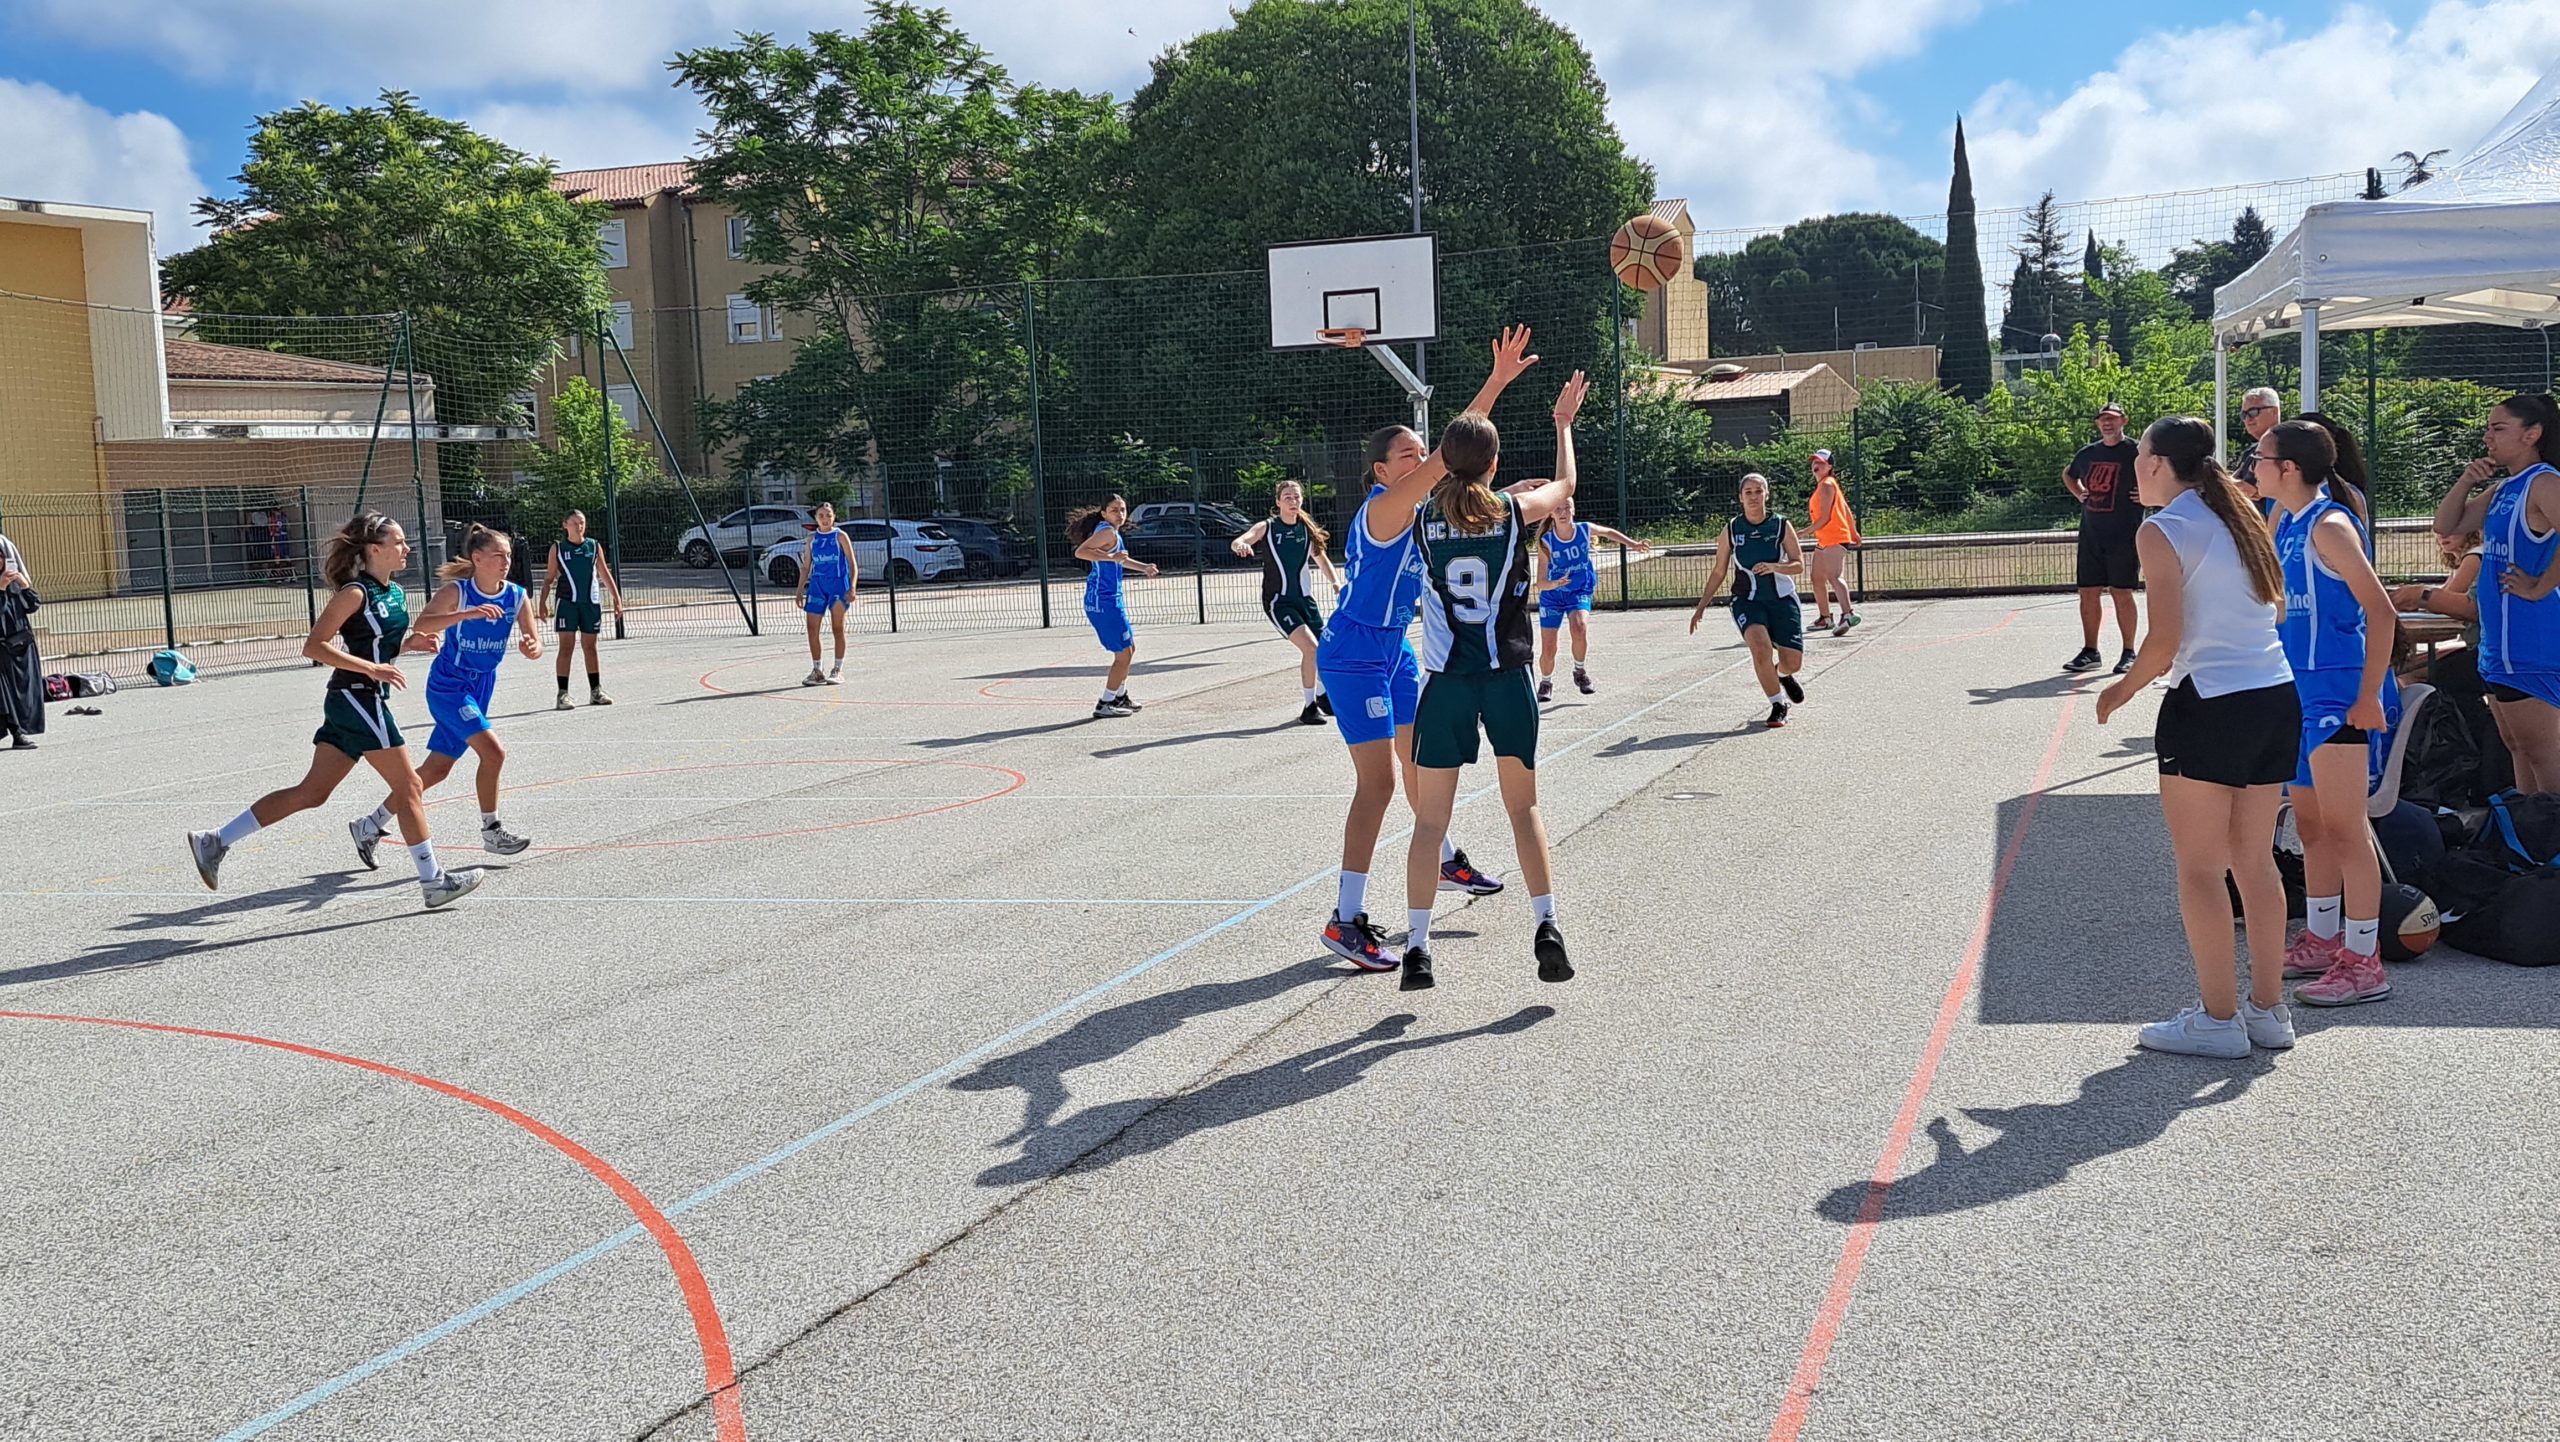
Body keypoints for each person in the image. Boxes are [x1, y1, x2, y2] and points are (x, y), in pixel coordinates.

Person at [1314, 326, 1537, 972]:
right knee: (1378, 784)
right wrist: (1493, 384)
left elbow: (1461, 469)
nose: (1421, 459)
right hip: (1353, 652)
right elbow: (1452, 455)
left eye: (1422, 451)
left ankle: (1439, 860)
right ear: (1382, 472)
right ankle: (1345, 919)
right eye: (1407, 454)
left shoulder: (1425, 514)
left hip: (1395, 651)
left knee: (1423, 762)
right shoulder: (1384, 510)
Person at [2096, 417, 2298, 1058]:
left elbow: (2163, 640)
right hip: (2274, 693)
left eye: (2140, 455)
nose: (2135, 465)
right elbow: (2275, 608)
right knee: (2255, 861)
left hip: (2210, 701)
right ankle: (2268, 1011)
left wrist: (2120, 690)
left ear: (2157, 463)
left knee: (2202, 869)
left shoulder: (2163, 529)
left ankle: (2217, 1020)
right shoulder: (2239, 515)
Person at [187, 512, 495, 910]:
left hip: (358, 699)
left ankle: (215, 840)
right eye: (399, 542)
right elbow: (314, 646)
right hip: (356, 697)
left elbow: (376, 644)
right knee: (410, 786)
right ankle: (434, 881)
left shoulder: (394, 592)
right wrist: (372, 668)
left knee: (312, 793)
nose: (407, 548)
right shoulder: (355, 593)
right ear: (374, 549)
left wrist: (408, 645)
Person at [1398, 370, 1591, 991]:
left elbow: (1451, 494)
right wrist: (1562, 424)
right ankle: (1547, 923)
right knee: (1523, 807)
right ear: (1495, 463)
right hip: (1506, 678)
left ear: (1443, 462)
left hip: (1446, 684)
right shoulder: (1511, 512)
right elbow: (1565, 486)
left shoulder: (1419, 519)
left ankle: (1418, 947)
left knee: (1430, 823)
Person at [2257, 421, 2399, 1008]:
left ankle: (2365, 961)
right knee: (2311, 827)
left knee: (2346, 828)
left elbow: (2383, 613)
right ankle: (2321, 938)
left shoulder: (2330, 526)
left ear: (2289, 468)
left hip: (2339, 692)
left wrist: (2368, 696)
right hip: (2298, 690)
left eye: (2261, 456)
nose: (2254, 465)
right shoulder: (2284, 520)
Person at [348, 523, 542, 866]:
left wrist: (532, 647)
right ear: (477, 558)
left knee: (437, 769)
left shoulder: (516, 596)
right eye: (498, 555)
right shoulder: (459, 592)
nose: (506, 562)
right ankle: (492, 830)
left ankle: (370, 825)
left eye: (509, 556)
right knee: (494, 753)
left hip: (482, 685)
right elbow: (423, 624)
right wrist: (467, 614)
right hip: (450, 685)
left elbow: (535, 643)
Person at [2433, 392, 2560, 793]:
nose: (2488, 436)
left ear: (2531, 434)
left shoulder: (2543, 483)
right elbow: (2447, 524)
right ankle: (2529, 826)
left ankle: (2550, 825)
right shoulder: (2505, 488)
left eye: (2499, 428)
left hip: (2530, 644)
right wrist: (2466, 480)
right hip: (2499, 646)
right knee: (2518, 749)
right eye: (2488, 428)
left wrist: (2540, 586)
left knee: (2544, 755)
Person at [1687, 473, 1809, 729]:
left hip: (1781, 599)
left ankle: (1783, 674)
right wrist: (1701, 607)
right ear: (1740, 497)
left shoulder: (1781, 525)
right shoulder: (1732, 529)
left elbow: (1798, 564)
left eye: (1758, 491)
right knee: (1760, 647)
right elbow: (1719, 571)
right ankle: (1777, 704)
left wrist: (1775, 567)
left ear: (1767, 494)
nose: (1754, 496)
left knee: (1793, 662)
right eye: (1748, 492)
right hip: (1747, 600)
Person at [1229, 479, 1340, 724]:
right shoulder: (1268, 527)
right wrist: (1241, 545)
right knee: (1311, 649)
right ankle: (1309, 707)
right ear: (1278, 502)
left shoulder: (1306, 530)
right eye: (1287, 497)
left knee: (1325, 651)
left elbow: (1322, 560)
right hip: (1279, 602)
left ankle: (1322, 695)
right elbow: (1241, 539)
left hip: (1305, 601)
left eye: (1297, 497)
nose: (1293, 501)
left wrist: (1335, 583)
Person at [1531, 493, 1649, 701]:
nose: (1563, 512)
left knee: (1580, 627)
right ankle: (1546, 682)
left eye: (1567, 507)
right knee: (1549, 647)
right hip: (1553, 596)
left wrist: (1633, 544)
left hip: (1579, 590)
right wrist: (1555, 583)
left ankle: (1580, 671)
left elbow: (1609, 532)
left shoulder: (1584, 530)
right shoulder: (1546, 542)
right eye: (1558, 509)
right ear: (1551, 514)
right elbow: (1540, 582)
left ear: (1574, 510)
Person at [2063, 402, 2143, 674]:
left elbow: (2161, 474)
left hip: (2124, 534)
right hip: (2092, 533)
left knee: (2121, 592)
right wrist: (2079, 493)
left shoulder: (2138, 451)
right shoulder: (2088, 453)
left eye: (2112, 418)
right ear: (2097, 423)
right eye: (2102, 419)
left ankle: (2129, 652)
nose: (2107, 423)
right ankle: (2090, 651)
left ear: (2124, 421)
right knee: (2088, 591)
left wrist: (2148, 495)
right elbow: (2068, 475)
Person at [1069, 494, 1158, 718]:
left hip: (1109, 598)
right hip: (1104, 601)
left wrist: (1144, 567)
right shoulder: (1107, 532)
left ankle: (1120, 695)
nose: (1120, 514)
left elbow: (1119, 559)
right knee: (1124, 654)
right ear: (1104, 513)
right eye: (1114, 510)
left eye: (1123, 509)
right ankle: (1105, 702)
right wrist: (1111, 557)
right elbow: (1081, 552)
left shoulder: (1111, 532)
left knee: (1129, 649)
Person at [536, 510, 623, 710]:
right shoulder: (558, 548)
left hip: (590, 602)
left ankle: (596, 691)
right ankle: (563, 694)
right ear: (565, 525)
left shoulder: (593, 546)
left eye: (582, 522)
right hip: (567, 602)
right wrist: (542, 602)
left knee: (590, 646)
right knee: (566, 646)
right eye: (574, 523)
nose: (579, 526)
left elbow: (604, 573)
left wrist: (617, 600)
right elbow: (549, 577)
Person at [797, 502, 859, 687]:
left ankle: (837, 669)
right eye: (821, 516)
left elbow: (852, 564)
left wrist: (853, 586)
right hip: (817, 586)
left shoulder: (840, 536)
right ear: (816, 518)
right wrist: (799, 590)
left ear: (834, 517)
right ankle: (817, 671)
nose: (825, 519)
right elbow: (806, 566)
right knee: (812, 628)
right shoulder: (812, 539)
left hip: (838, 586)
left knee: (837, 627)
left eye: (828, 515)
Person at [1804, 448, 1862, 635]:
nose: (1816, 465)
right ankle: (1825, 618)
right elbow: (1846, 509)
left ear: (1829, 466)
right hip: (1825, 539)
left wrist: (1802, 533)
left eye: (1821, 462)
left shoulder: (1827, 484)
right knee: (1817, 578)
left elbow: (1826, 518)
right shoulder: (1827, 484)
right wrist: (1854, 532)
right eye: (1814, 462)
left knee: (1834, 576)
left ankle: (1848, 613)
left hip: (1834, 537)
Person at [0, 529, 42, 750]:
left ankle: (21, 732)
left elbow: (32, 606)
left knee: (24, 693)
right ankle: (16, 733)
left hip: (21, 644)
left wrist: (23, 585)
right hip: (2, 648)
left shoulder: (14, 585)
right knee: (4, 695)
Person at [2232, 387, 2283, 516]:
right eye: (2244, 415)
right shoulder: (2251, 451)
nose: (2248, 419)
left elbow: (2245, 489)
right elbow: (2234, 485)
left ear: (2273, 412)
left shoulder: (2286, 446)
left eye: (2253, 412)